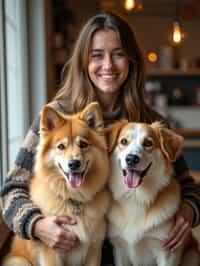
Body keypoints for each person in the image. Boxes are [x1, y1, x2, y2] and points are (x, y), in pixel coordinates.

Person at [1, 11, 200, 265]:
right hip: (71, 254)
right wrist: (37, 224)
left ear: (131, 60)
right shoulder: (57, 117)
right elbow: (11, 190)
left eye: (118, 54)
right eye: (96, 55)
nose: (108, 65)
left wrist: (187, 214)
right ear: (84, 62)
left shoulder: (149, 122)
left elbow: (188, 186)